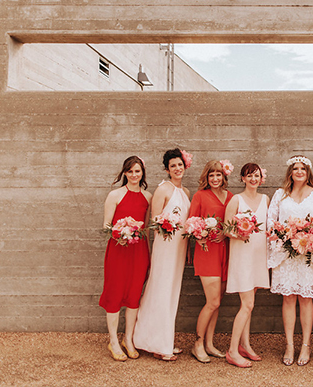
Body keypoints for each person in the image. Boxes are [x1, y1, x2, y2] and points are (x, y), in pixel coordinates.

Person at [267, 155, 313, 367]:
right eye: (295, 168)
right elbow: (271, 222)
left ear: (308, 172)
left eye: (303, 168)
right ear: (290, 172)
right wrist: (285, 237)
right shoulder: (280, 194)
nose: (299, 171)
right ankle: (289, 345)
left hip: (308, 256)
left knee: (306, 299)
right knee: (288, 298)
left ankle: (305, 345)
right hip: (287, 255)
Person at [133, 148, 192, 361]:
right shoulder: (163, 190)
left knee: (171, 293)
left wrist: (186, 248)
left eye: (180, 165)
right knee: (160, 290)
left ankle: (164, 339)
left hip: (179, 249)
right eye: (173, 165)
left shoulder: (185, 193)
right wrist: (167, 226)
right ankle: (156, 343)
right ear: (167, 169)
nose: (177, 169)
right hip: (165, 248)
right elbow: (154, 222)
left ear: (185, 166)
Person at [99, 156, 152, 361]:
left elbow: (145, 228)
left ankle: (128, 339)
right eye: (130, 171)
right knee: (114, 294)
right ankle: (113, 340)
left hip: (138, 253)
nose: (134, 175)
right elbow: (106, 225)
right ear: (124, 173)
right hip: (118, 251)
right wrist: (119, 234)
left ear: (142, 173)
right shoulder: (115, 195)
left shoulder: (148, 197)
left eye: (137, 171)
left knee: (133, 296)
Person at [223, 163, 270, 368]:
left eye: (256, 175)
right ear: (242, 178)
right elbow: (225, 228)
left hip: (259, 256)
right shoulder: (236, 199)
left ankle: (245, 345)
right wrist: (239, 234)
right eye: (249, 175)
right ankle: (232, 351)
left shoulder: (265, 199)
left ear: (261, 178)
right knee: (247, 304)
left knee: (249, 304)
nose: (253, 179)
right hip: (242, 256)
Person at [189, 160, 234, 363]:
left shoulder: (231, 197)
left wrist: (226, 234)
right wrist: (201, 234)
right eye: (211, 175)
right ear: (206, 177)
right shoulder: (199, 196)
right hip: (207, 252)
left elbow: (233, 224)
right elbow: (191, 223)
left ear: (224, 177)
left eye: (218, 175)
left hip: (225, 252)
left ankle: (209, 343)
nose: (215, 179)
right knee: (212, 301)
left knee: (218, 302)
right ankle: (197, 344)